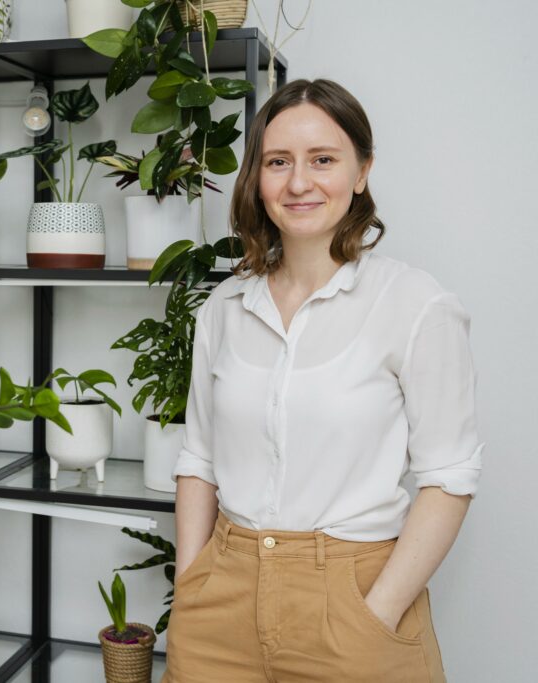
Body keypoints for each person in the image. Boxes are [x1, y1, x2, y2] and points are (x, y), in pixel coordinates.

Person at [162, 79, 483, 682]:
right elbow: (199, 458)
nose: (299, 182)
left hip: (355, 604)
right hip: (220, 604)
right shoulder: (225, 307)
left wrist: (378, 610)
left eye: (323, 160)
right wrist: (192, 585)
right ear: (257, 177)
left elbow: (450, 476)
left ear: (362, 171)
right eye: (278, 162)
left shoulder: (416, 304)